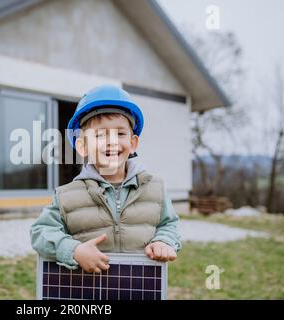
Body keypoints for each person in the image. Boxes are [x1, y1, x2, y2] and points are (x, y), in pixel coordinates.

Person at [30, 84, 181, 273]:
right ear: (83, 146)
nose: (112, 141)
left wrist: (164, 240)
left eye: (120, 133)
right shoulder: (66, 196)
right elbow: (40, 232)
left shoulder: (155, 188)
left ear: (133, 143)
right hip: (89, 290)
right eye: (100, 135)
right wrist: (74, 250)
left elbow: (168, 224)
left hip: (139, 286)